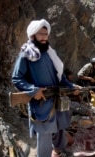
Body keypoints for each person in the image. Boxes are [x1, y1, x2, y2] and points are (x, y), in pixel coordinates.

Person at [11, 19, 78, 157]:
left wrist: (71, 87)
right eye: (40, 33)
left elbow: (60, 77)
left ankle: (59, 152)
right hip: (41, 102)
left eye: (45, 34)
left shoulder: (49, 53)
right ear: (33, 35)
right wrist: (33, 90)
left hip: (57, 98)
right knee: (45, 133)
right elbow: (17, 78)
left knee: (60, 127)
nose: (43, 36)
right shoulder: (26, 53)